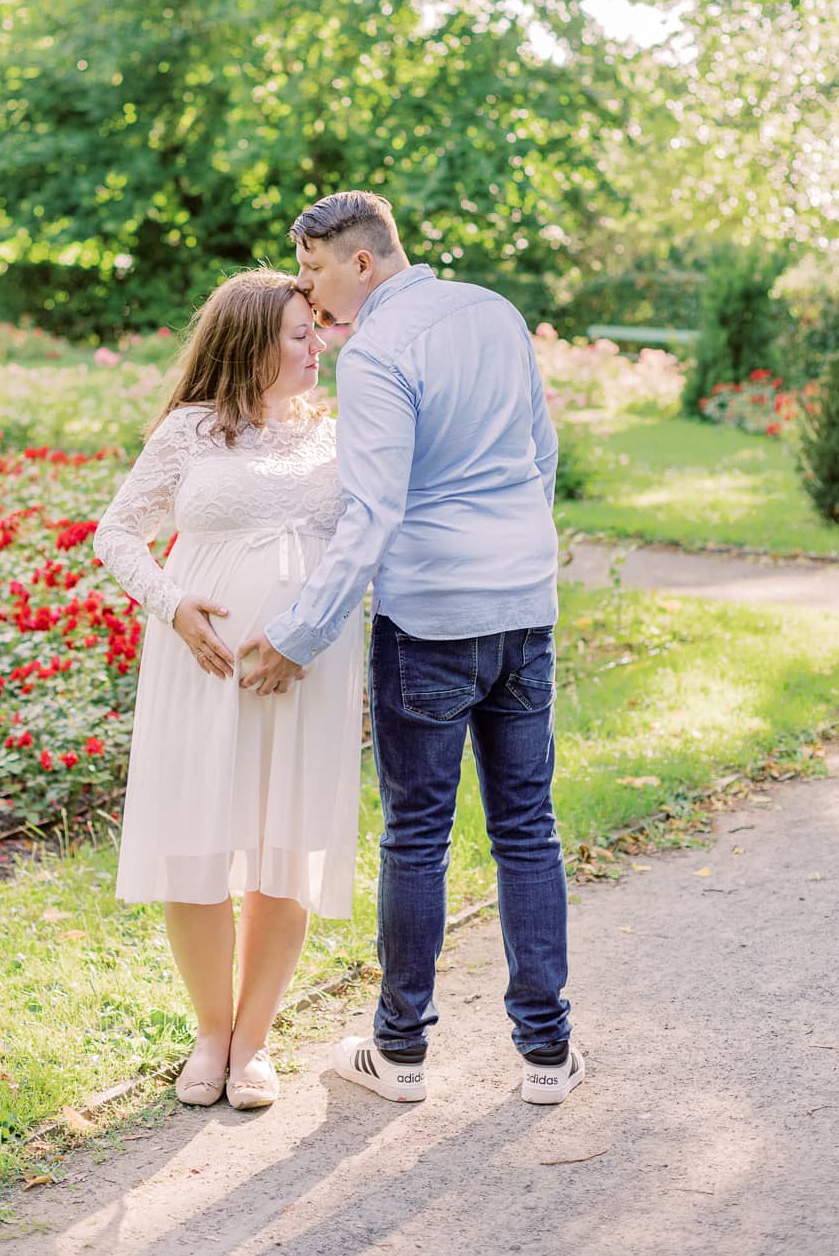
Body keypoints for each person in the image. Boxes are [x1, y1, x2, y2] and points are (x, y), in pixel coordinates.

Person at [239, 192, 582, 1106]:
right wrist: (511, 549)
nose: (306, 293)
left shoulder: (382, 349)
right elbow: (541, 454)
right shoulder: (495, 311)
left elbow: (373, 510)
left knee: (419, 835)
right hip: (522, 607)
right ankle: (548, 1057)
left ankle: (400, 1054)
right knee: (527, 828)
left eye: (311, 271)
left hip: (430, 619)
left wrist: (298, 633)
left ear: (361, 261)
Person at [93, 270, 365, 1110]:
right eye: (295, 333)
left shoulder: (337, 437)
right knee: (195, 847)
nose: (314, 345)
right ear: (248, 340)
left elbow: (366, 548)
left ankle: (254, 1042)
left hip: (304, 674)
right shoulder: (191, 432)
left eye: (315, 329)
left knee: (285, 846)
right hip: (200, 668)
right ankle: (210, 1031)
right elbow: (116, 533)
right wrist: (174, 608)